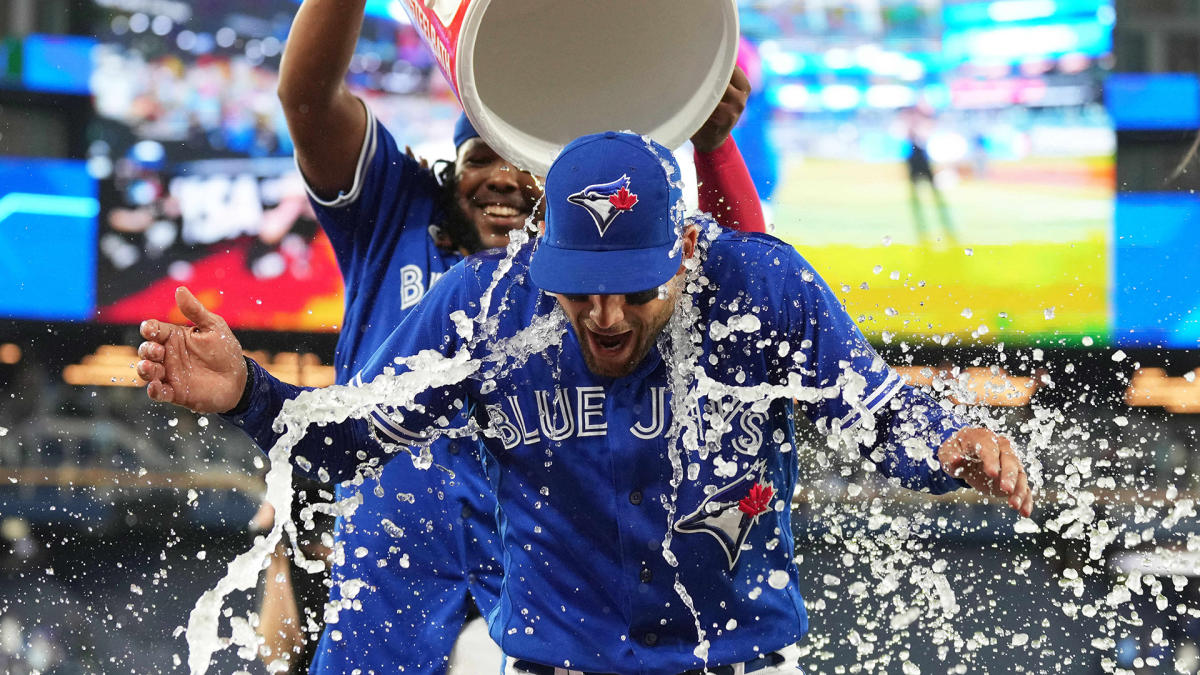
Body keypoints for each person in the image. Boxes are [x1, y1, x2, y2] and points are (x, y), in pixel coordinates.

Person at [137, 131, 1033, 674]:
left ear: (684, 248)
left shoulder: (759, 289)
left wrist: (950, 439)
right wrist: (249, 393)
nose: (604, 317)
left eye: (633, 290)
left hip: (740, 661)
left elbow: (874, 409)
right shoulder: (489, 306)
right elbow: (346, 441)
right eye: (580, 287)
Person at [214, 0, 767, 671]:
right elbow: (305, 98)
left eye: (527, 162)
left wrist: (713, 144)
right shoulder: (399, 214)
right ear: (453, 166)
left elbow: (747, 285)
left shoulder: (597, 277)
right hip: (390, 584)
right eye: (480, 155)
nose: (503, 176)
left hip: (546, 581)